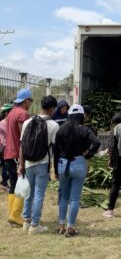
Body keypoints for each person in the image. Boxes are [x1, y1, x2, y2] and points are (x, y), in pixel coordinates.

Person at [54, 104, 100, 237]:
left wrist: (56, 170)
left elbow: (56, 151)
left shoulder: (61, 130)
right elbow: (96, 143)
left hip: (62, 164)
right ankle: (70, 227)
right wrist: (87, 155)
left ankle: (61, 226)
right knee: (74, 199)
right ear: (81, 115)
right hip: (78, 163)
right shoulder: (84, 129)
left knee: (63, 197)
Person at [18, 96, 59, 234]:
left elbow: (22, 146)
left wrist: (21, 164)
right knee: (39, 194)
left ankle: (26, 221)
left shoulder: (27, 122)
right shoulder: (54, 125)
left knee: (29, 193)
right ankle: (35, 225)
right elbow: (55, 148)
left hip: (28, 163)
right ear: (52, 108)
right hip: (43, 163)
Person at [4, 88, 32, 227]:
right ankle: (15, 215)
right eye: (31, 101)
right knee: (21, 184)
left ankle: (12, 215)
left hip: (8, 153)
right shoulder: (23, 113)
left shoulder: (11, 112)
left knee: (13, 185)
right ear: (26, 101)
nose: (31, 104)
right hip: (17, 154)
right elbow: (24, 136)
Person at [0, 104, 13, 191]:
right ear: (6, 113)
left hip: (8, 147)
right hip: (4, 147)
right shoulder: (3, 123)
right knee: (5, 166)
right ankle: (4, 183)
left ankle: (4, 181)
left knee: (7, 166)